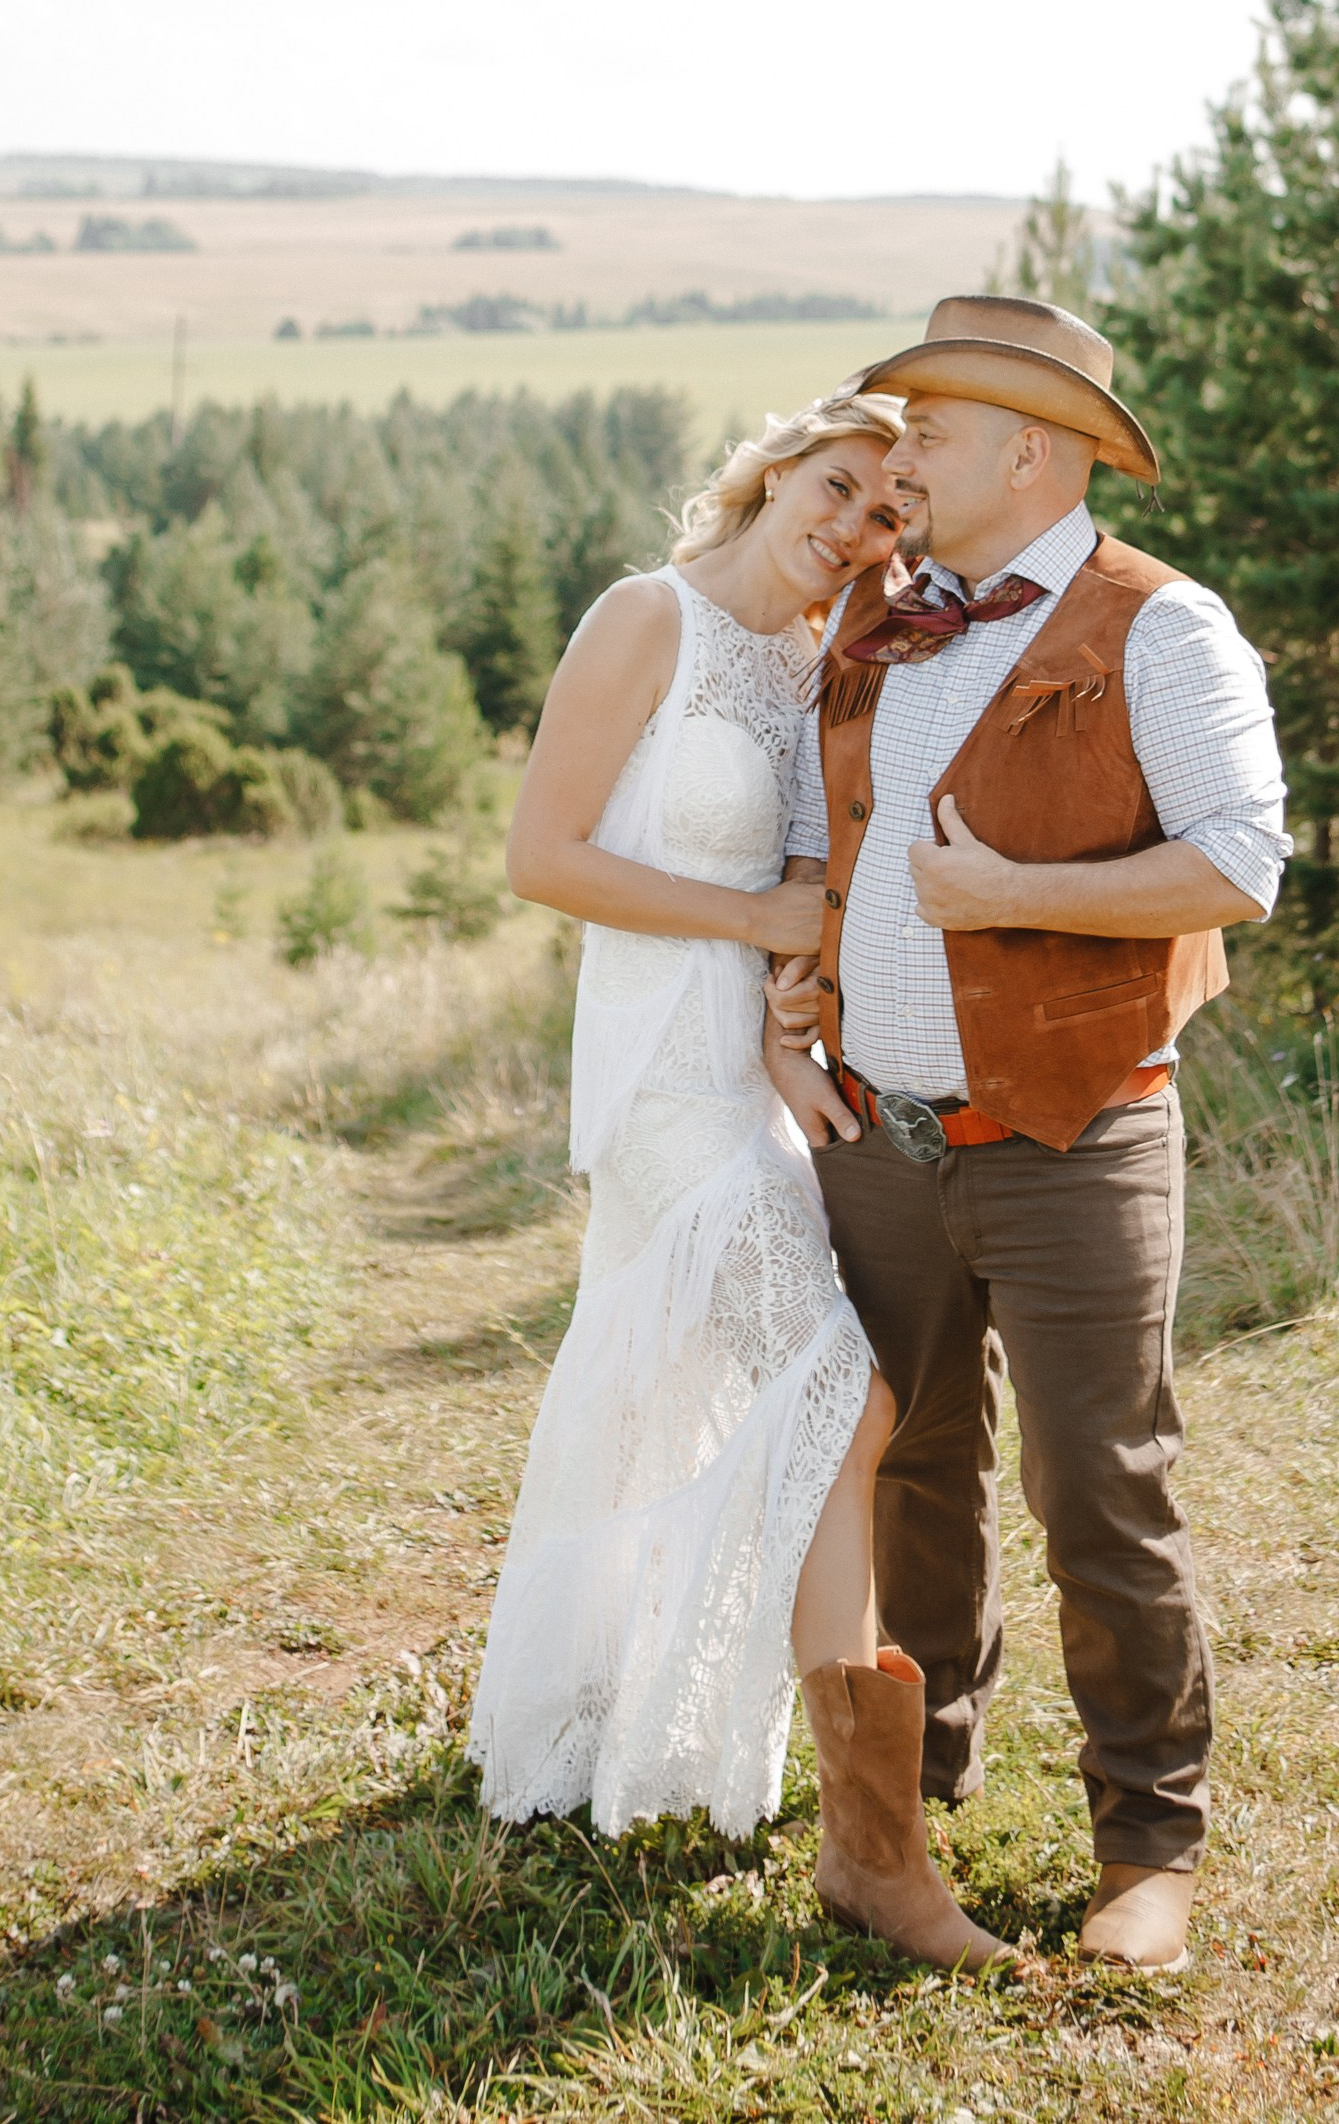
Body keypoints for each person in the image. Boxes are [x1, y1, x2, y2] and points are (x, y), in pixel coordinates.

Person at [768, 296, 1289, 1976]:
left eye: (926, 434)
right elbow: (819, 833)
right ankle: (919, 1776)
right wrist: (799, 990)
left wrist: (1017, 897)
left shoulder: (1164, 627)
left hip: (1080, 1135)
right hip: (876, 1131)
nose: (897, 459)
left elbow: (1241, 864)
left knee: (1098, 1484)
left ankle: (1149, 1843)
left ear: (1029, 453)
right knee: (911, 1470)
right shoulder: (872, 611)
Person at [470, 392, 1002, 1970]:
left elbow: (802, 883)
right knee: (842, 1399)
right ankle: (874, 1849)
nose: (854, 527)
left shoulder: (819, 671)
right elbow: (543, 856)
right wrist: (750, 934)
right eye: (838, 487)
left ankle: (716, 1732)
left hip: (757, 1084)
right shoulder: (653, 620)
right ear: (776, 473)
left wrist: (791, 1012)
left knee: (762, 1405)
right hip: (652, 1079)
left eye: (888, 517)